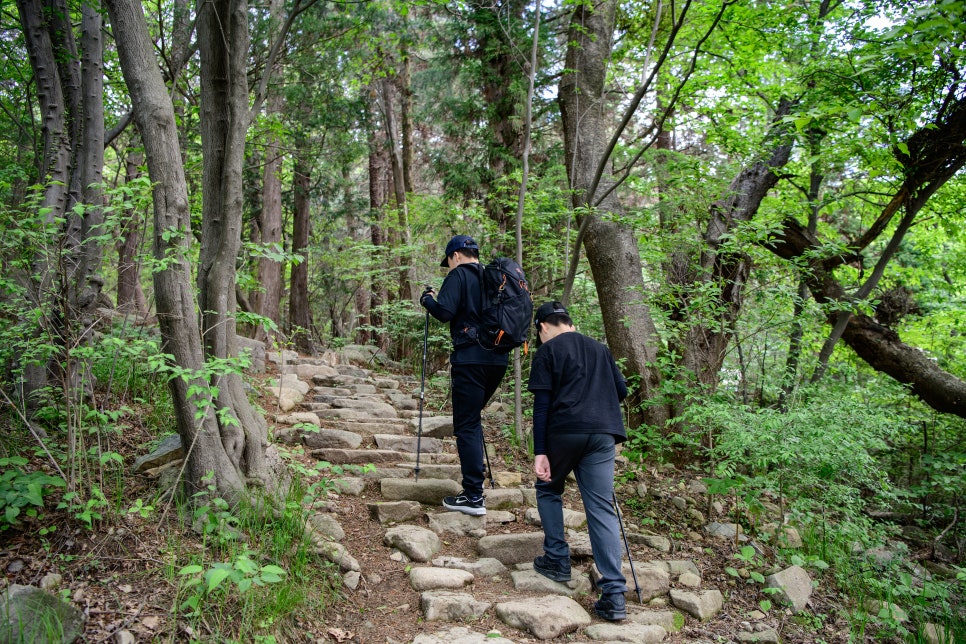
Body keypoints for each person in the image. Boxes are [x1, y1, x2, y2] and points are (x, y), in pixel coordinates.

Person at [527, 301, 630, 621]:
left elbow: (542, 406)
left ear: (543, 327)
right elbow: (622, 390)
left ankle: (558, 559)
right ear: (569, 322)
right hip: (603, 435)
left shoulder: (547, 352)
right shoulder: (600, 349)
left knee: (547, 488)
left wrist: (540, 452)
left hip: (564, 432)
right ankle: (613, 594)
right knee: (601, 508)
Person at [420, 235, 508, 516]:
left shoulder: (459, 275)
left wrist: (427, 300)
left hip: (471, 359)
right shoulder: (494, 277)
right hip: (498, 360)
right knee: (472, 419)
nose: (448, 266)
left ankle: (473, 496)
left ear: (456, 255)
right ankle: (474, 490)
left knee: (467, 424)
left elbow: (444, 312)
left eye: (448, 261)